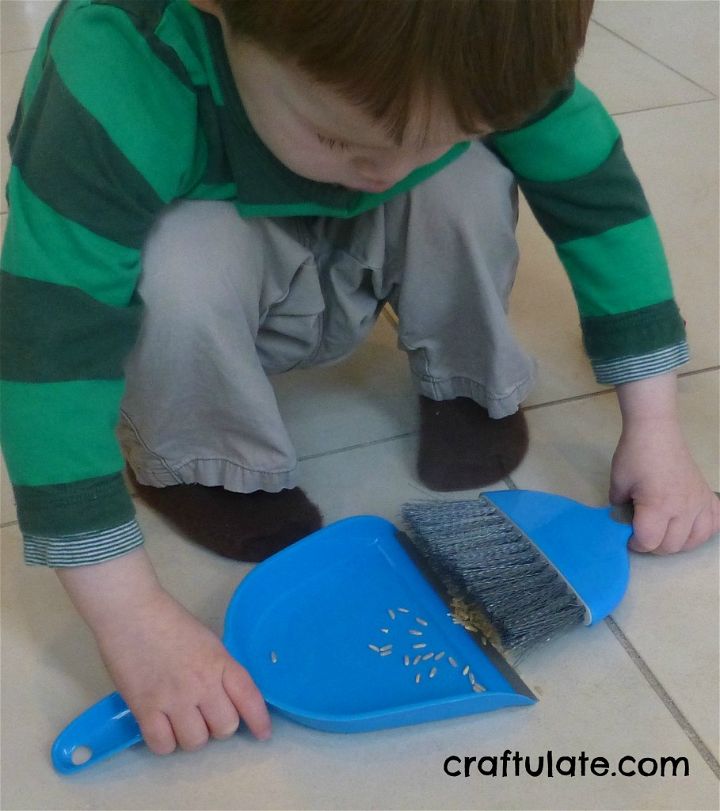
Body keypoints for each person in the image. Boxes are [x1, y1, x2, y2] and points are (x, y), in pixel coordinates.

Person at [1, 0, 717, 758]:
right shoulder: (116, 70)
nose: (393, 169)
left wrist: (656, 425)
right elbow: (46, 348)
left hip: (356, 261)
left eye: (446, 132)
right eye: (341, 136)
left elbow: (596, 197)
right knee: (176, 261)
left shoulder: (485, 35)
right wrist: (130, 615)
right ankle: (202, 464)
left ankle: (466, 387)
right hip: (224, 276)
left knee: (467, 181)